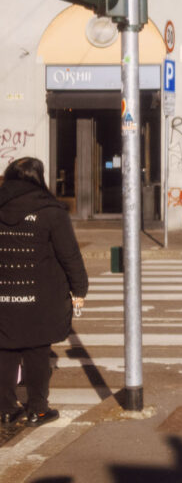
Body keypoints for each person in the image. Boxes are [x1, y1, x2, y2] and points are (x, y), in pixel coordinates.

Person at [0, 157, 88, 427]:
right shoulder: (51, 211)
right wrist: (79, 288)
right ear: (39, 178)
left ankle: (4, 410)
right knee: (38, 351)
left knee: (4, 349)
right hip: (41, 296)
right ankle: (37, 409)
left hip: (3, 294)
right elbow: (69, 254)